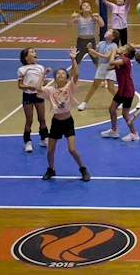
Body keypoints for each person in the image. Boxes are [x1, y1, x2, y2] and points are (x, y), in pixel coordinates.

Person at [36, 48, 91, 182]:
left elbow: (76, 74)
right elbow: (37, 89)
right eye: (58, 74)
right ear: (54, 78)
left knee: (72, 149)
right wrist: (43, 75)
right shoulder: (50, 90)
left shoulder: (69, 87)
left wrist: (73, 59)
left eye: (63, 73)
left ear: (67, 79)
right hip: (56, 123)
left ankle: (83, 168)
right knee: (50, 150)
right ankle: (51, 169)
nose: (60, 75)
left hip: (68, 122)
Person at [100, 44, 140, 141]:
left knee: (125, 114)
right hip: (121, 90)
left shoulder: (126, 61)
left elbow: (111, 62)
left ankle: (134, 133)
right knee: (112, 109)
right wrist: (115, 56)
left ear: (125, 52)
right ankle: (114, 130)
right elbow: (108, 67)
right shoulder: (120, 61)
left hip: (128, 91)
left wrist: (113, 52)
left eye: (122, 47)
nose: (119, 47)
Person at [79, 29, 119, 111]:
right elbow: (94, 55)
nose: (106, 32)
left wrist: (95, 52)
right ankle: (85, 103)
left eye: (109, 32)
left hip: (110, 67)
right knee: (94, 86)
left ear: (113, 37)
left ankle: (119, 101)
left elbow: (107, 56)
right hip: (101, 66)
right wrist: (90, 49)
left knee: (110, 88)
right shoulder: (101, 43)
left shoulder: (114, 46)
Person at [17, 48, 49, 152]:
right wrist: (28, 86)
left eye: (34, 52)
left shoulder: (40, 67)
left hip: (39, 95)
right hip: (28, 96)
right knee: (29, 120)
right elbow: (20, 85)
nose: (35, 53)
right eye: (32, 52)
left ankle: (44, 138)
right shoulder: (22, 69)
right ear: (26, 57)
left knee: (42, 118)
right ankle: (28, 142)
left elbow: (42, 81)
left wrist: (45, 82)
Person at [68, 0, 104, 67]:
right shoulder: (78, 18)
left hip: (91, 41)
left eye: (88, 5)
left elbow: (102, 25)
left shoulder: (93, 18)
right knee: (76, 63)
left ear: (91, 10)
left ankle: (102, 74)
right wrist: (72, 17)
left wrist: (98, 16)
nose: (87, 6)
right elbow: (69, 25)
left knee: (97, 62)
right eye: (84, 5)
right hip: (81, 42)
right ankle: (73, 74)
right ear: (81, 10)